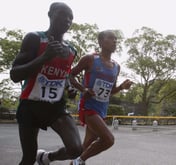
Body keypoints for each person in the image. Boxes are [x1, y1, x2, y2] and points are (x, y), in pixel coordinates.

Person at [10, 2, 83, 165]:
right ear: (50, 14)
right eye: (62, 14)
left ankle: (46, 157)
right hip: (30, 105)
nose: (67, 20)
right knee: (28, 158)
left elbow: (62, 76)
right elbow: (14, 74)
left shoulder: (71, 50)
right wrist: (44, 57)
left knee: (76, 149)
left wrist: (68, 88)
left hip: (55, 107)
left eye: (70, 17)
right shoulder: (34, 38)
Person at [69, 30, 133, 165]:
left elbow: (110, 91)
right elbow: (70, 75)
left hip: (102, 109)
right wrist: (83, 89)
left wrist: (121, 87)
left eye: (116, 39)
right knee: (108, 140)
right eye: (111, 38)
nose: (115, 41)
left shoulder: (116, 66)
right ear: (101, 42)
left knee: (86, 145)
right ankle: (78, 162)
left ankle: (48, 158)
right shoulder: (90, 59)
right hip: (88, 107)